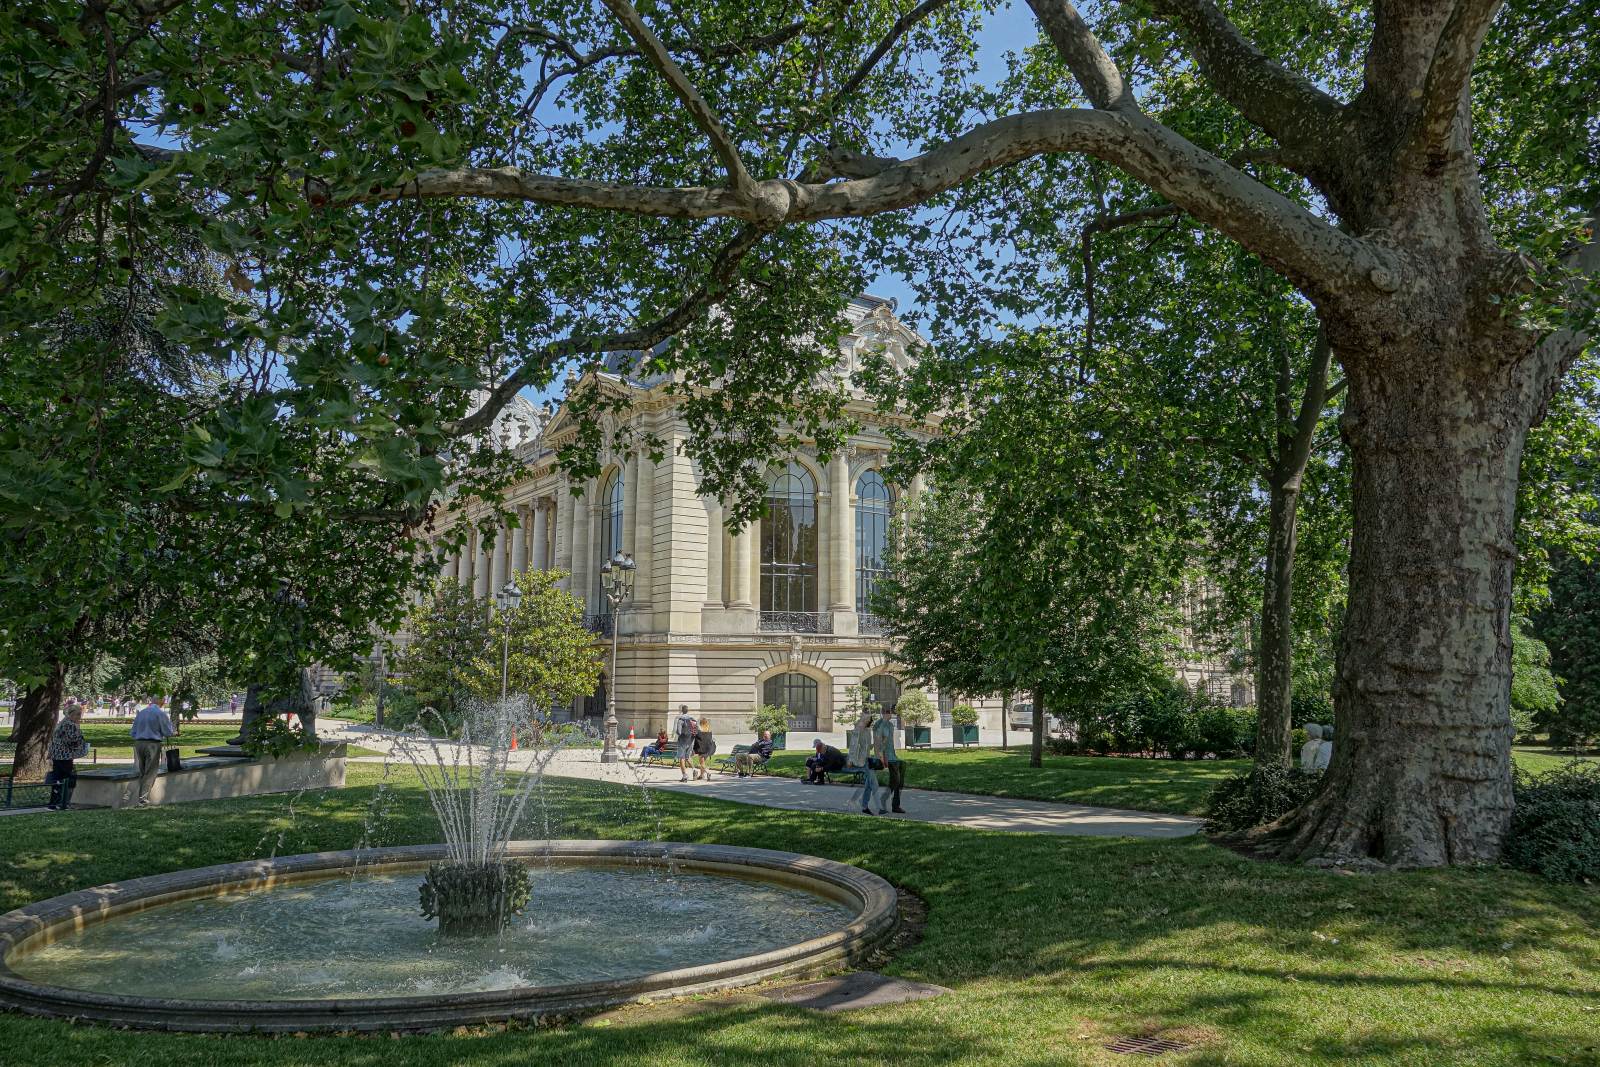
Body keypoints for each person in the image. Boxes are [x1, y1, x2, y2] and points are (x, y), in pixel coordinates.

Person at [130, 695, 176, 806]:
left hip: (138, 743)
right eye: (163, 699)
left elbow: (133, 731)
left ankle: (141, 796)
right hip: (153, 744)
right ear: (161, 701)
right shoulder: (160, 714)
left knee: (142, 770)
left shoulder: (142, 713)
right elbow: (168, 732)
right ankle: (143, 799)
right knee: (150, 772)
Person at [47, 701, 90, 810]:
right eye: (78, 715)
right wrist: (81, 741)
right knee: (69, 779)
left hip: (58, 755)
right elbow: (71, 740)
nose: (80, 717)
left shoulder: (63, 723)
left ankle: (54, 803)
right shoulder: (70, 724)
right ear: (71, 714)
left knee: (58, 778)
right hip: (64, 756)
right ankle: (64, 803)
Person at [844, 709, 881, 814]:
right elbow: (853, 746)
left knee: (869, 784)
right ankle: (879, 808)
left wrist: (877, 742)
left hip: (867, 760)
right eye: (866, 718)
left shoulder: (868, 731)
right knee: (874, 784)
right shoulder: (858, 730)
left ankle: (861, 804)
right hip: (860, 760)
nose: (867, 721)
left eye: (869, 719)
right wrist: (850, 759)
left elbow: (868, 747)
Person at [872, 706, 906, 814]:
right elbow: (879, 743)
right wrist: (882, 759)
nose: (890, 714)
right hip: (886, 757)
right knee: (896, 780)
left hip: (892, 756)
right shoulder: (879, 725)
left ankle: (895, 804)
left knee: (898, 780)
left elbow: (889, 743)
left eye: (890, 712)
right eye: (888, 712)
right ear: (883, 713)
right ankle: (886, 800)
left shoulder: (890, 725)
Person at [675, 706, 698, 782]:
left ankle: (685, 776)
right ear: (688, 711)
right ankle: (694, 769)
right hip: (691, 741)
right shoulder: (693, 719)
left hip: (683, 741)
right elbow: (696, 730)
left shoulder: (681, 719)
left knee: (681, 758)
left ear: (681, 710)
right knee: (687, 757)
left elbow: (678, 731)